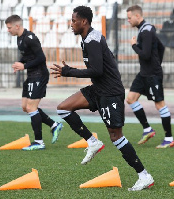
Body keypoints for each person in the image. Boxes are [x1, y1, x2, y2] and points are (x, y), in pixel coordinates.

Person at [51, 6, 154, 191]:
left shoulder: (92, 40)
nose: (71, 24)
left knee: (116, 136)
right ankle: (92, 141)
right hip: (99, 89)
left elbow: (97, 70)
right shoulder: (88, 38)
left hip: (110, 92)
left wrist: (69, 71)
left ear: (84, 21)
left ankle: (144, 175)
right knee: (63, 108)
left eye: (74, 20)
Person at [5, 15, 63, 150]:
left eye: (9, 28)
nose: (8, 30)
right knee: (26, 107)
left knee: (32, 108)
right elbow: (27, 55)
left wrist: (23, 66)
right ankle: (54, 125)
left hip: (39, 75)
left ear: (17, 26)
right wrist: (21, 62)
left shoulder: (30, 38)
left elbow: (41, 58)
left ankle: (39, 142)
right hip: (31, 76)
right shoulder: (19, 39)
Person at [126, 5, 174, 148]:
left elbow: (145, 54)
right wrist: (156, 62)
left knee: (160, 105)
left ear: (137, 16)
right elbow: (161, 47)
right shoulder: (145, 29)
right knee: (130, 99)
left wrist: (134, 46)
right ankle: (147, 129)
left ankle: (169, 138)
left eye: (129, 18)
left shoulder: (146, 31)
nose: (128, 20)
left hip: (152, 75)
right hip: (144, 73)